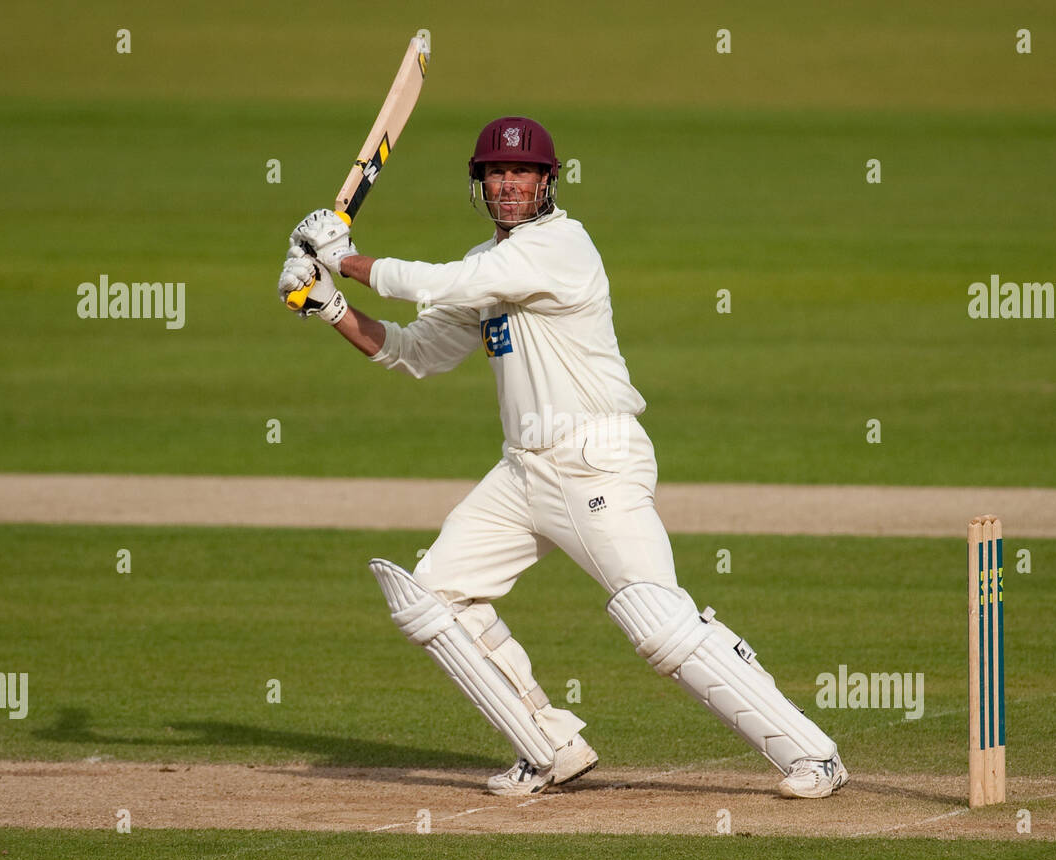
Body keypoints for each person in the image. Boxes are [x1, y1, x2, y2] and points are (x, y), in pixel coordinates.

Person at [277, 116, 848, 799]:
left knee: (656, 621)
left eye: (522, 173)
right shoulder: (487, 267)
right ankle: (548, 745)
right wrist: (329, 304)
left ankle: (812, 755)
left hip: (596, 460)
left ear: (548, 182)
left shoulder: (559, 245)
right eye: (496, 173)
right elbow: (416, 352)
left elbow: (441, 283)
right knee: (433, 597)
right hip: (524, 470)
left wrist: (342, 256)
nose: (508, 184)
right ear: (479, 185)